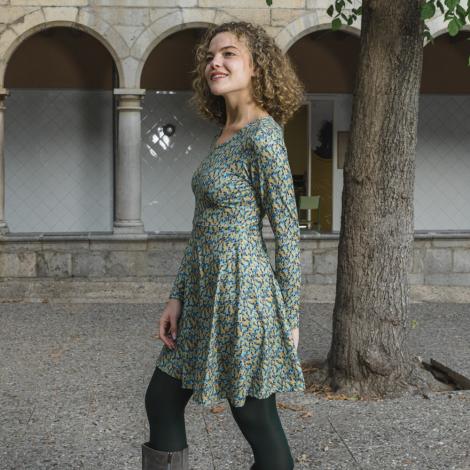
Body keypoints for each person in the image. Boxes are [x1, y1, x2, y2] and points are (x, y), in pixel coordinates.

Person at [142, 20, 306, 470]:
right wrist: (176, 296)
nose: (215, 62)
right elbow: (202, 229)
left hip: (241, 294)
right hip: (202, 292)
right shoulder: (225, 134)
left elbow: (287, 232)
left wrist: (289, 318)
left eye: (229, 53)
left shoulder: (264, 136)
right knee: (161, 398)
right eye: (210, 56)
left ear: (257, 66)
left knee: (254, 416)